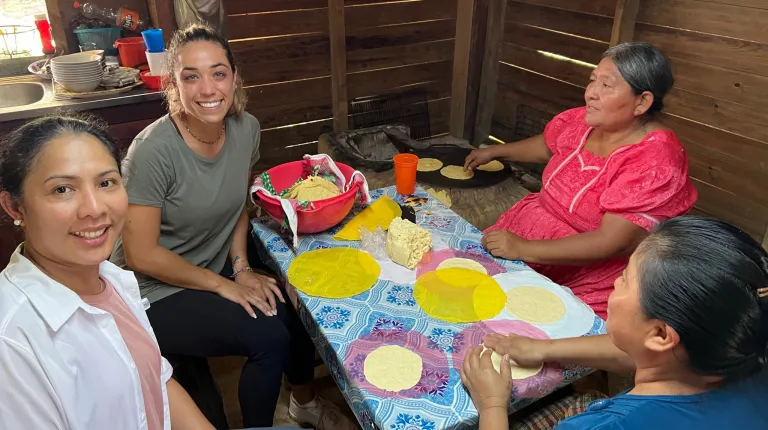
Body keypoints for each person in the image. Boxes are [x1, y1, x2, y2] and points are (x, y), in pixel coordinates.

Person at [110, 24, 355, 430]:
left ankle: (304, 403)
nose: (208, 89)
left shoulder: (246, 129)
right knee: (268, 337)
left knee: (295, 304)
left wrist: (241, 267)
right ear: (174, 84)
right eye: (192, 76)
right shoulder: (151, 151)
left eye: (218, 73)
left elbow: (237, 206)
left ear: (234, 77)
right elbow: (140, 254)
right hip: (153, 289)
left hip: (214, 264)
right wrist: (225, 283)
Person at [0, 115, 217, 429]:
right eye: (62, 189)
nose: (94, 208)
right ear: (15, 207)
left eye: (106, 183)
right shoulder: (12, 342)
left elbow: (155, 378)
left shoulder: (113, 280)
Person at [460, 216, 768, 429]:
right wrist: (543, 348)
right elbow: (635, 350)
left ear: (660, 334)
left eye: (623, 280)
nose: (615, 284)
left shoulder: (604, 426)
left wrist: (492, 406)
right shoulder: (741, 354)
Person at [464, 42, 697, 318]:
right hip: (528, 233)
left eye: (607, 85)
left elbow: (613, 242)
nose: (591, 94)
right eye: (592, 81)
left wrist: (524, 248)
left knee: (531, 324)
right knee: (473, 295)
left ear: (642, 102)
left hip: (591, 273)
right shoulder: (585, 121)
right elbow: (547, 146)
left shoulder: (656, 161)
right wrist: (496, 151)